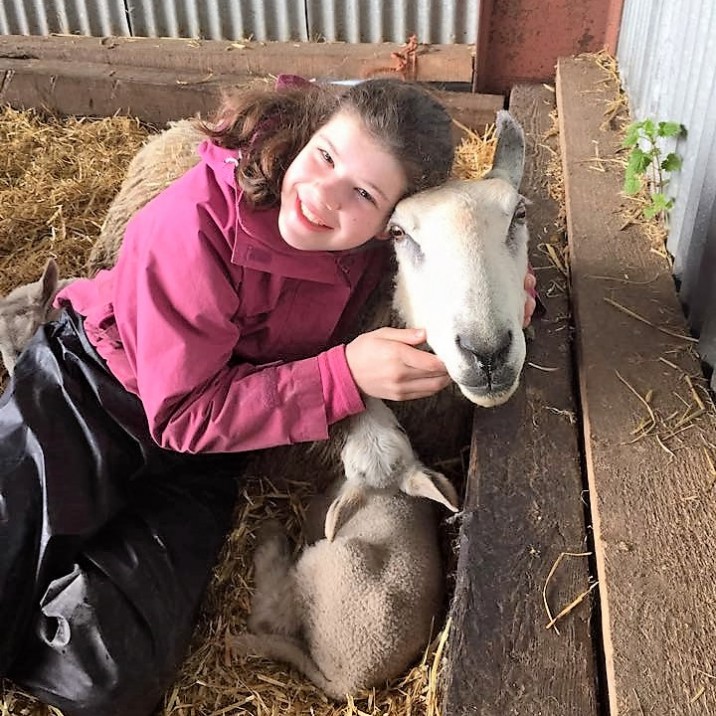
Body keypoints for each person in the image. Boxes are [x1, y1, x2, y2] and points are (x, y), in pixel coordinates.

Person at [0, 76, 537, 715]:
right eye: (326, 156)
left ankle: (53, 562)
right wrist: (344, 376)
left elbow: (452, 244)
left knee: (107, 678)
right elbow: (183, 415)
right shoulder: (195, 223)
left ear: (386, 223)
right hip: (93, 389)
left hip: (206, 449)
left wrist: (501, 291)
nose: (322, 195)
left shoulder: (366, 253)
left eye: (362, 193)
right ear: (307, 134)